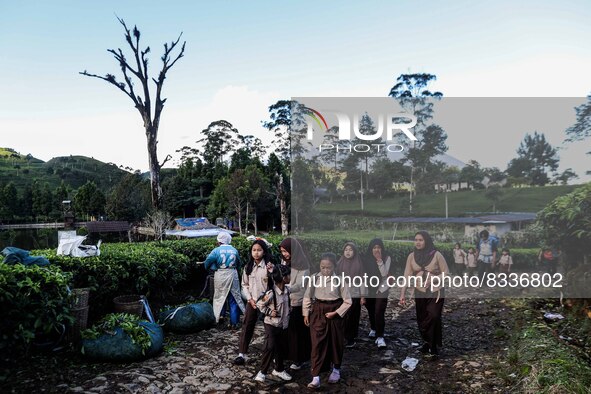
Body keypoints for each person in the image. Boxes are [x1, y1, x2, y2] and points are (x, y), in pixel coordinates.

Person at [303, 252, 352, 388]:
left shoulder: (340, 280)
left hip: (335, 311)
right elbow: (307, 297)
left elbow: (348, 301)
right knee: (317, 343)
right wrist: (306, 313)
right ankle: (316, 376)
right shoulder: (314, 278)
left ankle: (336, 369)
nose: (325, 270)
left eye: (328, 267)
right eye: (322, 267)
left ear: (334, 267)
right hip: (318, 311)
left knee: (336, 342)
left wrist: (336, 313)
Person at [399, 231, 449, 357]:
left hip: (435, 291)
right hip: (420, 291)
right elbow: (406, 275)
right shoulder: (412, 256)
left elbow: (446, 273)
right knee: (422, 318)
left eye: (421, 240)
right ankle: (428, 342)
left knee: (433, 315)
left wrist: (434, 278)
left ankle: (433, 346)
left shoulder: (437, 255)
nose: (418, 242)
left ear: (426, 241)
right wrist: (402, 294)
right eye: (416, 240)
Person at [234, 239, 275, 365]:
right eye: (254, 250)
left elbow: (274, 286)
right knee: (247, 325)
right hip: (252, 301)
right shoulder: (248, 267)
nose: (256, 253)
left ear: (264, 251)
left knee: (270, 329)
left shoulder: (269, 266)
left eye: (259, 250)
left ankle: (273, 354)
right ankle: (242, 353)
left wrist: (273, 271)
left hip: (267, 302)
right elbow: (244, 285)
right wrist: (250, 299)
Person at [254, 264, 293, 383]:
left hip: (282, 324)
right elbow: (259, 304)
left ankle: (279, 369)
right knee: (269, 346)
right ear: (283, 277)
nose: (291, 276)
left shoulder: (287, 290)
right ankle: (262, 372)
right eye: (289, 274)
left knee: (280, 347)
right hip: (271, 323)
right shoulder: (271, 293)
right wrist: (270, 312)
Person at [279, 237, 311, 370]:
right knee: (288, 331)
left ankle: (300, 358)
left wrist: (285, 287)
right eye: (282, 251)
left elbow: (300, 284)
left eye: (286, 251)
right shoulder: (285, 262)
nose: (284, 254)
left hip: (298, 302)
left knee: (298, 332)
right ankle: (290, 355)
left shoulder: (303, 264)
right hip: (286, 301)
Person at [204, 232, 245, 328]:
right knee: (234, 297)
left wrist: (210, 267)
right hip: (232, 273)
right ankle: (234, 323)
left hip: (220, 274)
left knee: (220, 296)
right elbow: (239, 263)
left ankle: (219, 317)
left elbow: (208, 261)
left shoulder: (216, 250)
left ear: (219, 241)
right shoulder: (234, 250)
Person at [364, 238, 395, 349]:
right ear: (370, 249)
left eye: (379, 247)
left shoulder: (387, 258)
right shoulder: (366, 259)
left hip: (382, 287)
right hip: (369, 288)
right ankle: (373, 328)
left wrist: (379, 260)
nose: (377, 250)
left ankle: (380, 336)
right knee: (371, 309)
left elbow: (384, 274)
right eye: (374, 248)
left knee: (379, 311)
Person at [336, 242, 366, 348]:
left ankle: (350, 338)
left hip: (354, 293)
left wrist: (363, 296)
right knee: (343, 315)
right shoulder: (339, 263)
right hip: (342, 294)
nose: (348, 252)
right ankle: (342, 336)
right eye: (346, 250)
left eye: (350, 250)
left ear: (354, 251)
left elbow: (362, 280)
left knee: (353, 316)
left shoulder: (358, 263)